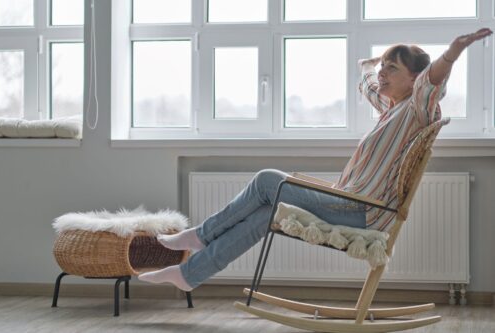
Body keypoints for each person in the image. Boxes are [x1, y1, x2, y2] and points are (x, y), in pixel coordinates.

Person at [139, 28, 492, 291]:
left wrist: (453, 52)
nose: (383, 73)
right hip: (347, 201)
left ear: (414, 80)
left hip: (360, 210)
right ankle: (189, 274)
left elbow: (433, 81)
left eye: (392, 68)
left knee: (266, 180)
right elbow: (369, 83)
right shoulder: (391, 108)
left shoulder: (416, 109)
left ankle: (201, 236)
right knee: (265, 213)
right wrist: (371, 66)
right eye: (384, 66)